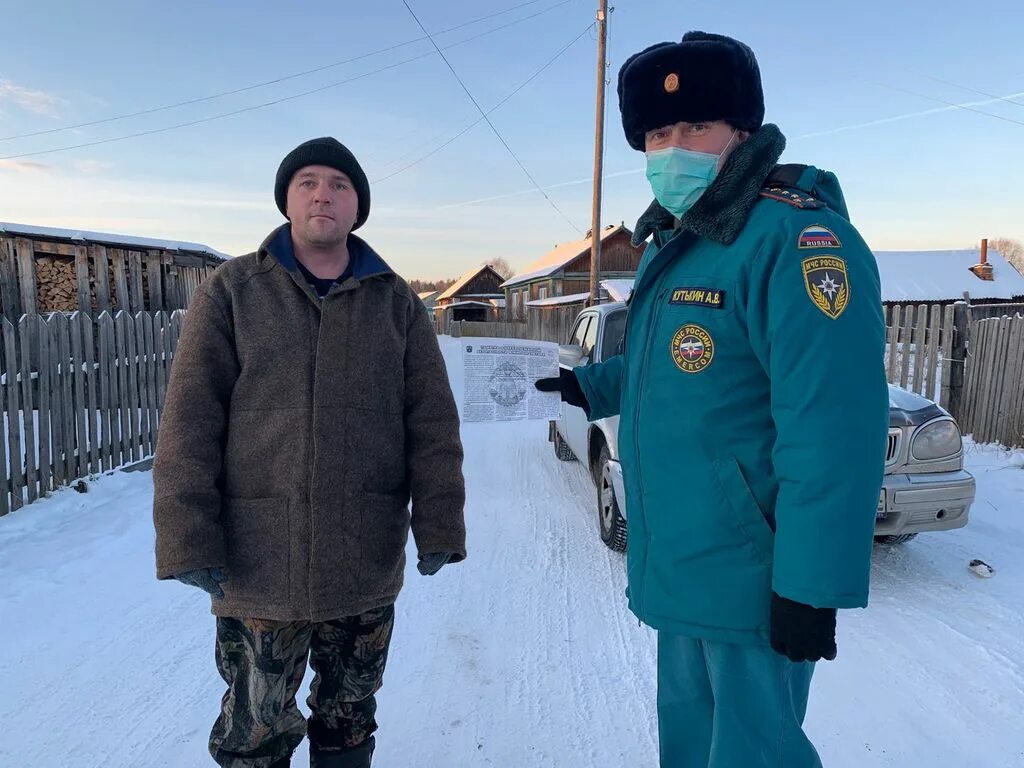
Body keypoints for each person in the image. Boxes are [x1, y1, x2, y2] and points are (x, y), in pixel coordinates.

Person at [536, 32, 889, 767]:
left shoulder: (795, 240)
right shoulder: (687, 240)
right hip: (685, 565)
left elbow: (831, 426)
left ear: (742, 131)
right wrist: (590, 383)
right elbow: (684, 366)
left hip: (753, 580)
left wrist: (809, 584)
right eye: (658, 133)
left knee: (755, 753)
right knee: (692, 748)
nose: (673, 147)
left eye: (694, 126)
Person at [153, 137, 466, 768]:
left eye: (340, 185)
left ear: (358, 208)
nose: (323, 193)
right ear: (287, 199)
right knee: (255, 725)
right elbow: (189, 420)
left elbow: (431, 421)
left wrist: (439, 524)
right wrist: (187, 536)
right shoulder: (233, 290)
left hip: (363, 556)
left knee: (349, 716)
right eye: (308, 182)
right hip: (260, 561)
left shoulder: (395, 299)